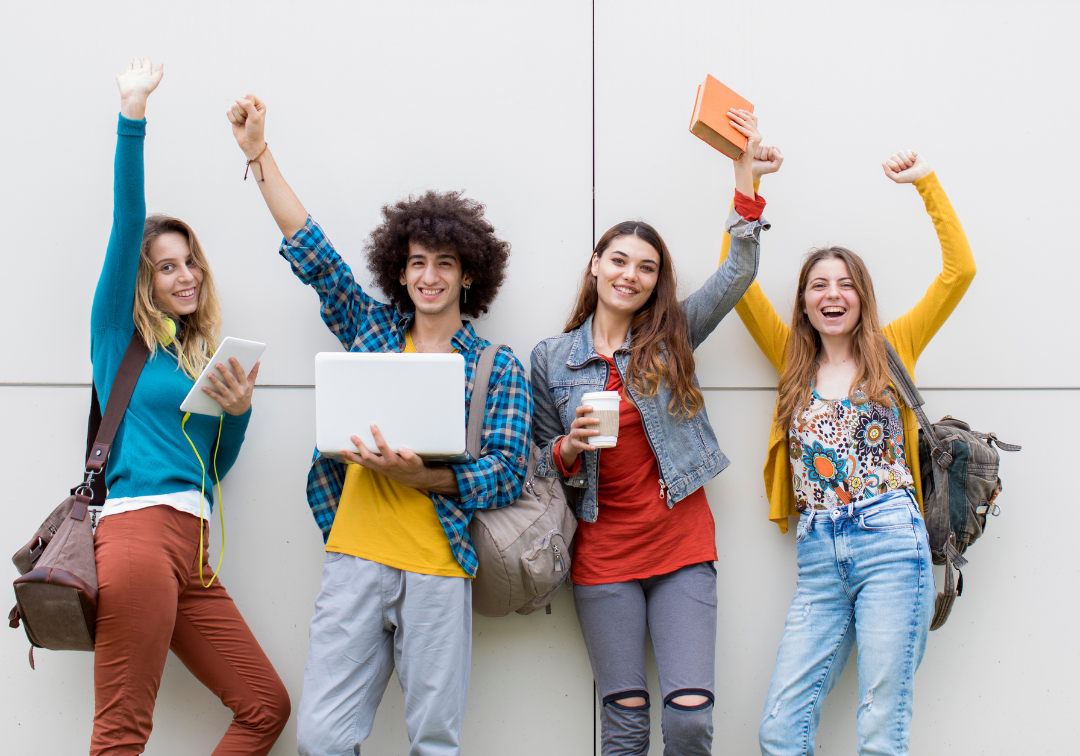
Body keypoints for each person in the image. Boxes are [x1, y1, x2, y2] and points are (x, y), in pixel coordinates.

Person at [226, 92, 532, 756]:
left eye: (444, 263)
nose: (430, 275)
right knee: (322, 740)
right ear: (401, 269)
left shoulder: (495, 367)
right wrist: (258, 156)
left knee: (434, 743)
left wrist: (421, 475)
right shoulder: (370, 330)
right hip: (355, 559)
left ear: (468, 275)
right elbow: (313, 253)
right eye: (418, 262)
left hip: (439, 568)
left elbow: (507, 473)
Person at [531, 108, 774, 756]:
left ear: (653, 281)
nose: (629, 275)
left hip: (680, 545)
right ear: (595, 265)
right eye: (618, 260)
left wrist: (744, 181)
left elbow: (737, 276)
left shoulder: (672, 338)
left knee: (690, 718)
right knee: (626, 720)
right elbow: (533, 461)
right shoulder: (551, 359)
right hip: (602, 555)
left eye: (644, 267)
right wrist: (570, 448)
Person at [719, 149, 976, 756]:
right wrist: (746, 185)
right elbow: (734, 279)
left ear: (862, 297)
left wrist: (926, 186)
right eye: (818, 285)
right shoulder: (791, 359)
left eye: (845, 284)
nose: (832, 295)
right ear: (804, 302)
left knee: (881, 727)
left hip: (892, 541)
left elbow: (958, 272)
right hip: (818, 553)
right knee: (781, 729)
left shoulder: (895, 348)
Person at [90, 59, 289, 756]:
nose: (186, 274)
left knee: (264, 707)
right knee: (122, 732)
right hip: (138, 538)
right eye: (167, 265)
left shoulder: (198, 359)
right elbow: (126, 221)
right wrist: (133, 117)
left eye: (191, 262)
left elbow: (213, 470)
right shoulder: (119, 337)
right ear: (143, 280)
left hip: (194, 550)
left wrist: (236, 413)